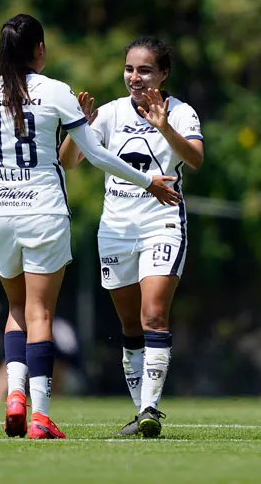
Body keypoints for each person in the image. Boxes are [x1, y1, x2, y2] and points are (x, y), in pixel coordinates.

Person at [0, 15, 181, 439]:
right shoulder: (55, 91)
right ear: (40, 50)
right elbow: (95, 154)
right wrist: (147, 181)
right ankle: (39, 415)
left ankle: (14, 396)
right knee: (41, 312)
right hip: (42, 210)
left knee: (16, 309)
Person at [59, 37, 204, 438]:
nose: (135, 77)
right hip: (116, 230)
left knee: (152, 314)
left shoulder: (182, 112)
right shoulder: (111, 112)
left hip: (162, 223)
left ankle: (151, 409)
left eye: (145, 70)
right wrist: (79, 127)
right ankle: (141, 411)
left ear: (164, 74)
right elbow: (68, 161)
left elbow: (194, 159)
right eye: (129, 69)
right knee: (129, 325)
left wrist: (164, 128)